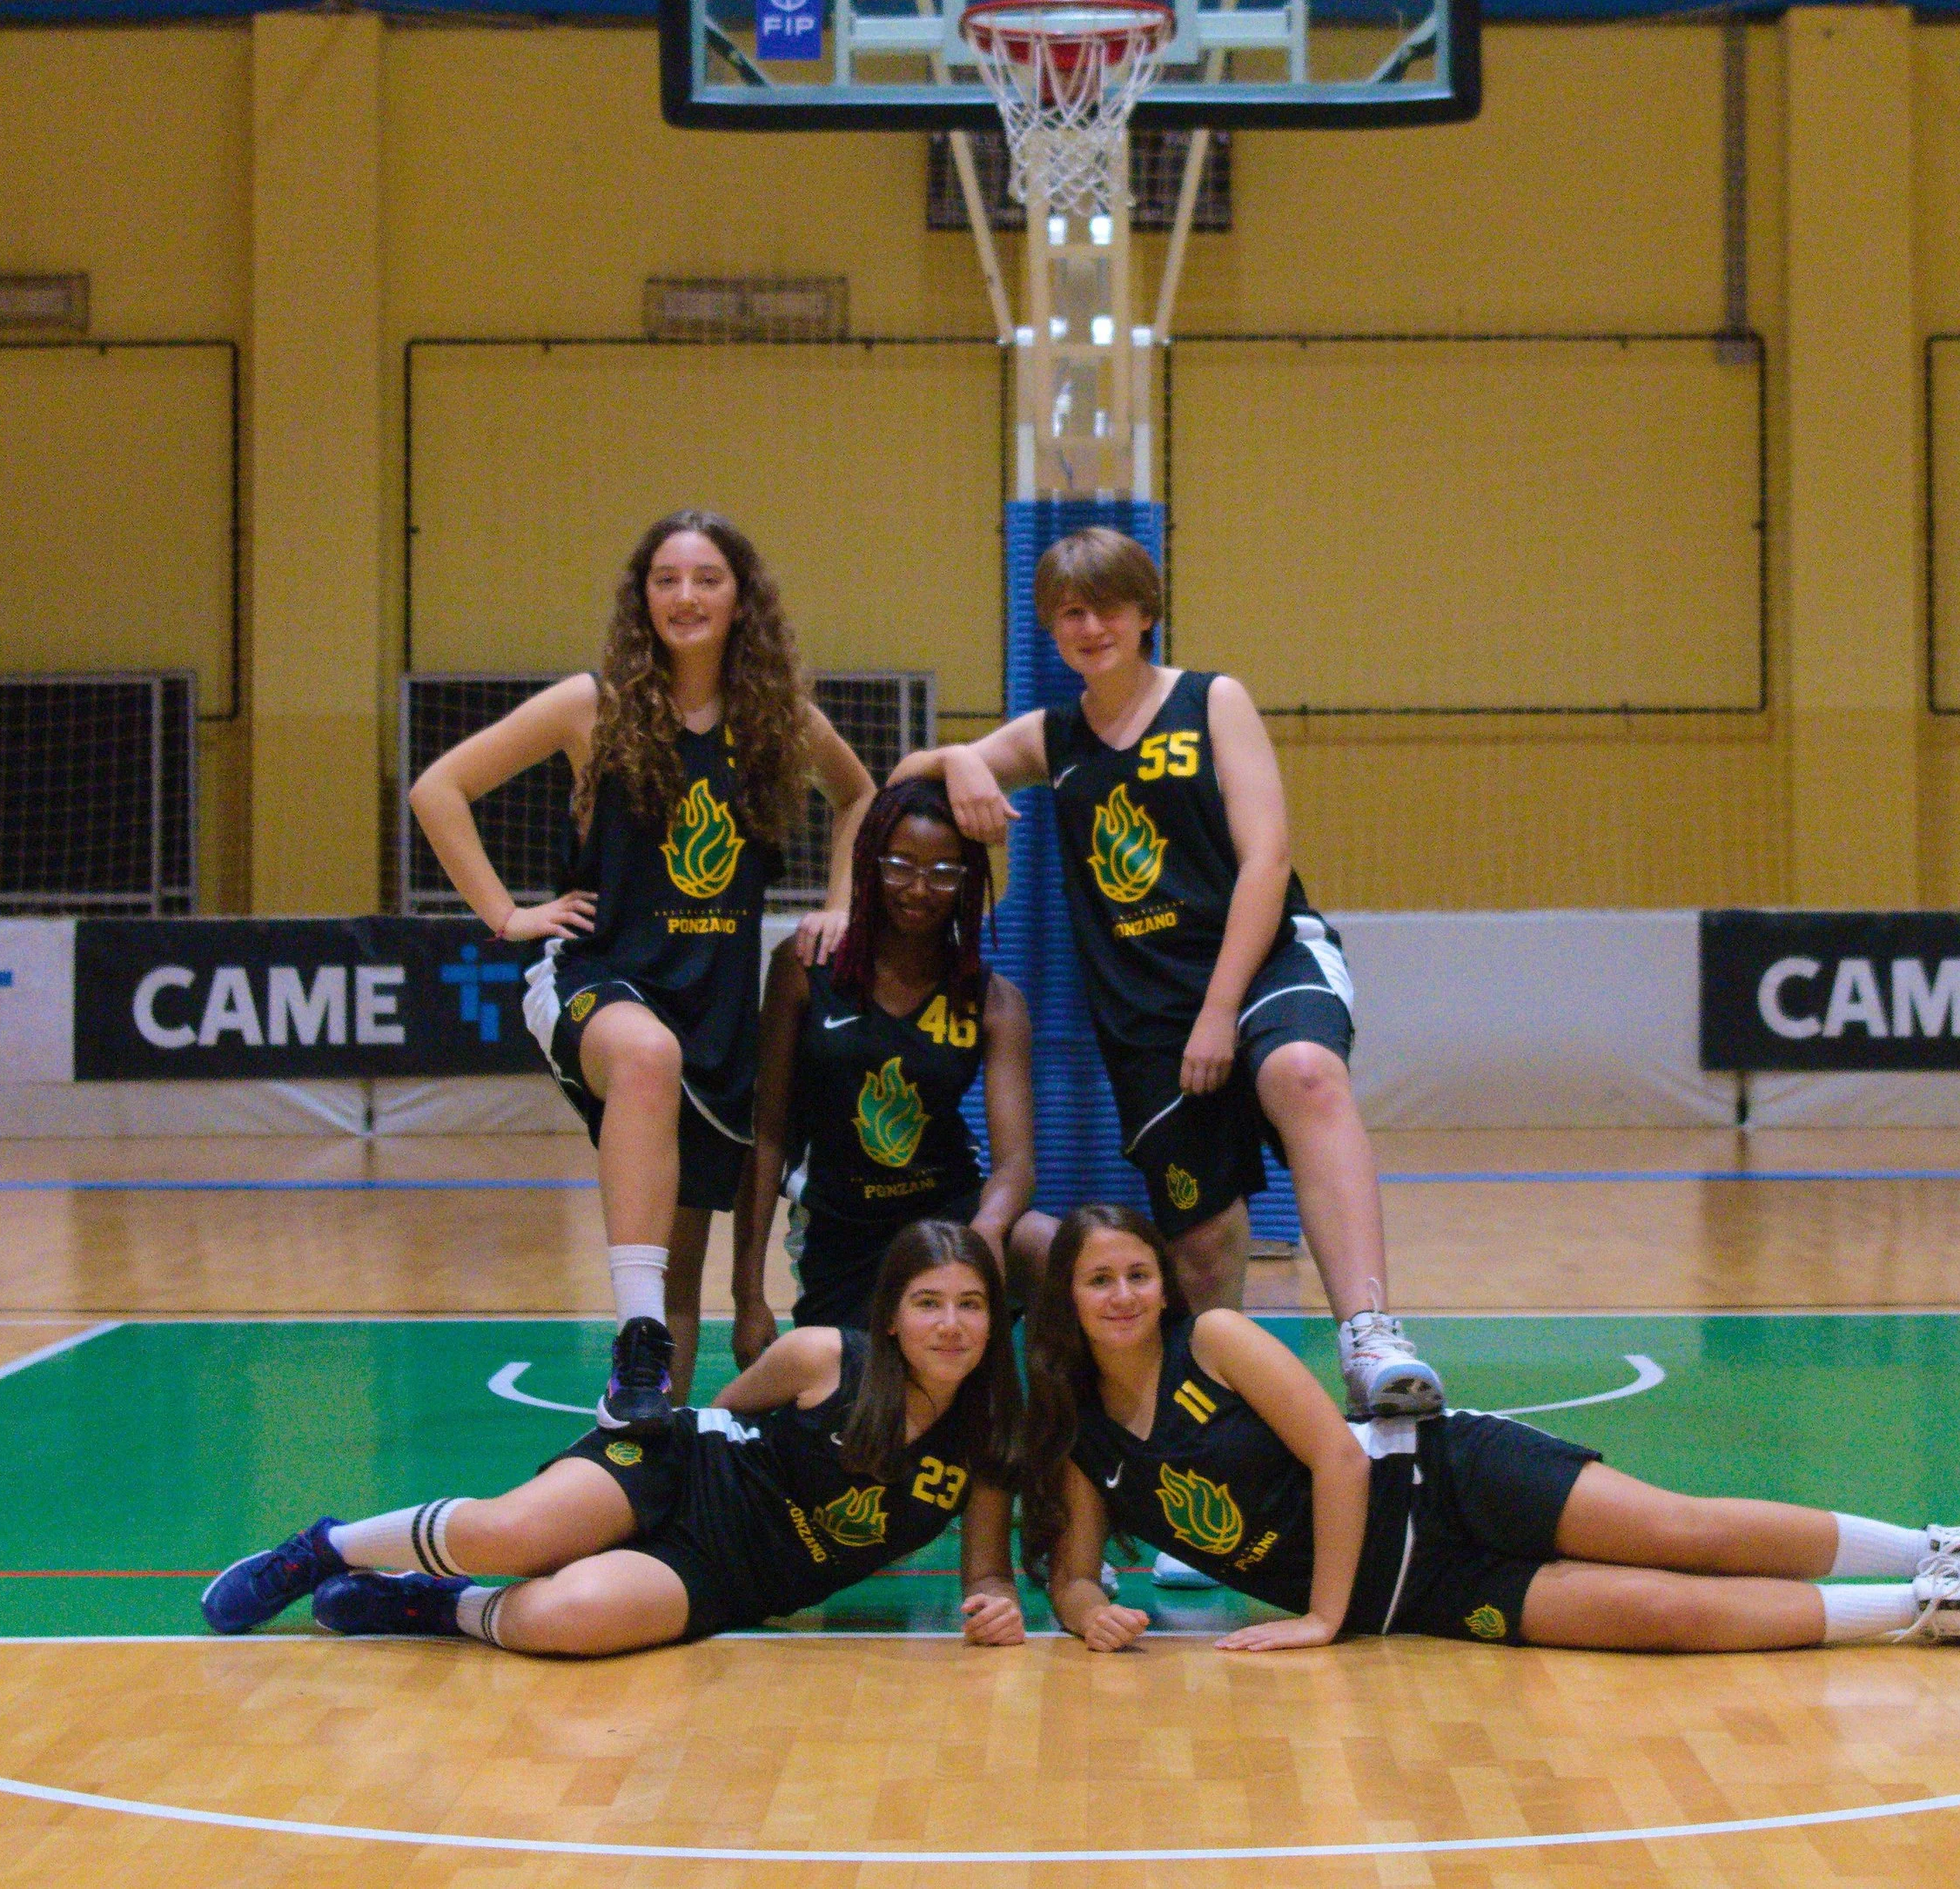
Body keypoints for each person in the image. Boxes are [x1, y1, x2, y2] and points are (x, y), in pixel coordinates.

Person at [892, 523, 1437, 1424]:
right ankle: (1218, 1425)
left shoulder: (1210, 699)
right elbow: (905, 781)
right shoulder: (1054, 737)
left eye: (1108, 606)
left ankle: (1371, 1338)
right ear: (1050, 627)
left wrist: (1220, 1011)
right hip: (1146, 1012)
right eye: (1070, 612)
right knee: (1203, 1251)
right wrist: (957, 758)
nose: (1091, 625)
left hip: (1263, 963)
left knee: (1304, 1071)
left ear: (1145, 610)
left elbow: (1266, 860)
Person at [1023, 1204, 1960, 1657]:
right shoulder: (1083, 1436)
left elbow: (1337, 1455)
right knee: (1665, 1617)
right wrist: (1087, 1610)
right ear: (1065, 1296)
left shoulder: (1215, 1338)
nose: (1122, 1294)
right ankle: (1935, 1608)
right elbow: (1072, 1573)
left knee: (1681, 1530)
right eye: (1098, 1278)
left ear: (1163, 1282)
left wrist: (1321, 1617)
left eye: (1137, 1272)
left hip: (1444, 1476)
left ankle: (1944, 1543)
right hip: (1420, 1593)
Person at [408, 508, 873, 1425]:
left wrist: (842, 902)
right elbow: (439, 789)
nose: (685, 596)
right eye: (666, 579)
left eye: (706, 578)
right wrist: (506, 913)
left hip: (714, 1007)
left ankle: (643, 1439)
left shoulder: (777, 719)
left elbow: (860, 795)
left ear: (741, 599)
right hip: (597, 980)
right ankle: (634, 1333)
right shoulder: (594, 704)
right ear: (642, 597)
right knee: (646, 1055)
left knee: (679, 1268)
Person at [200, 1220, 1024, 1657]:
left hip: (732, 1575)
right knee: (513, 1533)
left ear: (996, 1319)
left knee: (572, 1616)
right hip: (676, 1471)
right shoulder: (825, 1356)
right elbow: (720, 1415)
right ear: (891, 1315)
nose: (950, 1325)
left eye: (971, 1305)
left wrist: (996, 1605)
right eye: (928, 1302)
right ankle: (322, 1549)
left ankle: (428, 1605)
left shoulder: (986, 1436)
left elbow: (986, 1569)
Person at [733, 778, 1052, 1348]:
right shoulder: (804, 970)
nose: (919, 888)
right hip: (841, 1235)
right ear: (869, 865)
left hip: (951, 1220)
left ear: (969, 880)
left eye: (944, 872)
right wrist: (748, 1297)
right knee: (860, 1389)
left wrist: (986, 1229)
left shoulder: (994, 1001)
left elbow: (1015, 1165)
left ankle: (1057, 1405)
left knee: (1051, 1246)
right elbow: (768, 1139)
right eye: (900, 866)